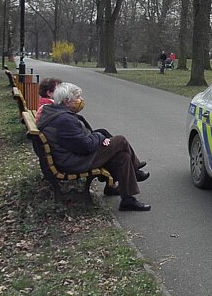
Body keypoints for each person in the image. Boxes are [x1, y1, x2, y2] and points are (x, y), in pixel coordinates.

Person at [37, 82, 151, 212]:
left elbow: (80, 142)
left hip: (69, 156)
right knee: (120, 140)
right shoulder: (64, 120)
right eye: (78, 97)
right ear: (66, 101)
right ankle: (135, 170)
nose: (81, 100)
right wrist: (99, 137)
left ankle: (128, 200)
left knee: (122, 156)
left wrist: (98, 137)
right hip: (73, 162)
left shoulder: (54, 111)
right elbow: (85, 147)